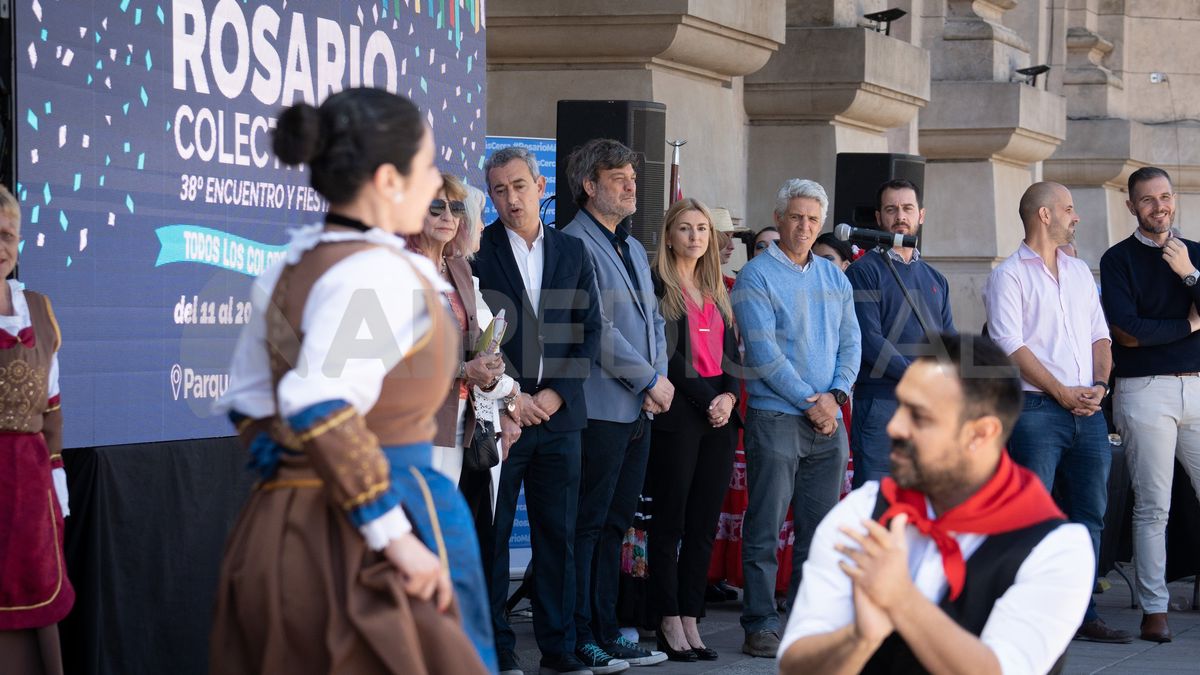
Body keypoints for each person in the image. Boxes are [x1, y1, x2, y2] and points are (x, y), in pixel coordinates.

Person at [210, 88, 490, 674]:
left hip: (278, 529)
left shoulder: (292, 265)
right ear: (389, 179)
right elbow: (316, 400)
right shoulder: (380, 275)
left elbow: (248, 402)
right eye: (427, 164)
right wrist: (394, 536)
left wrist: (294, 478)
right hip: (376, 527)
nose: (434, 181)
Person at [778, 334, 1095, 674]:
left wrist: (901, 601)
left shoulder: (1056, 547)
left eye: (920, 416)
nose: (895, 426)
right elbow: (795, 663)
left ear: (980, 433)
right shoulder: (864, 512)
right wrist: (860, 639)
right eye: (901, 406)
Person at [473, 145, 602, 675]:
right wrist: (514, 397)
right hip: (502, 420)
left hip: (560, 418)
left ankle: (559, 649)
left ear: (541, 186)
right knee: (494, 540)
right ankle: (498, 651)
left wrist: (554, 396)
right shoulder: (478, 253)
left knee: (559, 538)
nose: (510, 198)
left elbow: (590, 332)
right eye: (499, 190)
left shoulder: (572, 253)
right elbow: (474, 337)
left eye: (519, 186)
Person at [983, 181, 1130, 644]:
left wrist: (1099, 386)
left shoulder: (1080, 271)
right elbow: (1011, 346)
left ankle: (1081, 613)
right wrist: (1062, 391)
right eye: (1069, 208)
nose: (1076, 216)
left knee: (1088, 515)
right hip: (1035, 410)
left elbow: (1100, 338)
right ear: (1044, 215)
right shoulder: (1009, 275)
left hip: (1087, 412)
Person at [732, 178, 861, 658]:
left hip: (829, 421)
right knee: (766, 526)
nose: (804, 226)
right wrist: (815, 402)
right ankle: (760, 622)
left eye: (813, 219)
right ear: (779, 217)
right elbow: (763, 354)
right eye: (796, 217)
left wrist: (837, 395)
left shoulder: (834, 277)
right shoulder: (756, 276)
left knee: (819, 530)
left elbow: (852, 343)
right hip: (778, 419)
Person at [561, 138, 671, 671]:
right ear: (589, 185)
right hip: (600, 408)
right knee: (588, 525)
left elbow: (653, 322)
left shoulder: (630, 246)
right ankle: (581, 632)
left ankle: (608, 628)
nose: (631, 186)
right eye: (619, 178)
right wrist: (649, 379)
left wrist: (660, 382)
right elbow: (594, 329)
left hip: (639, 409)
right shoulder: (572, 243)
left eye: (632, 177)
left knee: (616, 525)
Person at [1100, 166, 1200, 643]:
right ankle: (1154, 609)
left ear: (1173, 199)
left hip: (1198, 387)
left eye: (1164, 197)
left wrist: (1188, 274)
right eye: (1147, 200)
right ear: (1131, 206)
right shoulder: (1118, 260)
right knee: (1153, 505)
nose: (1158, 206)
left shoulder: (1195, 256)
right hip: (1145, 390)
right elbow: (1127, 333)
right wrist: (1191, 327)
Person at [645, 199, 741, 662]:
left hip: (719, 422)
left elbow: (735, 356)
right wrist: (709, 400)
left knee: (703, 525)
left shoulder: (718, 289)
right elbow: (670, 358)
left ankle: (690, 615)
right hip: (679, 418)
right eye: (685, 228)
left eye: (702, 229)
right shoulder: (658, 286)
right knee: (670, 523)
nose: (695, 237)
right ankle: (666, 617)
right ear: (669, 236)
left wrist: (730, 397)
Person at [408, 173, 518, 508]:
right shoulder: (398, 269)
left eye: (456, 208)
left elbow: (482, 346)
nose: (448, 217)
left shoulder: (457, 270)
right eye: (436, 207)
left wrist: (493, 372)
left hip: (463, 425)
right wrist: (466, 369)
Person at [0, 185, 71, 675]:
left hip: (29, 491)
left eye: (8, 234)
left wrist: (57, 489)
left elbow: (52, 410)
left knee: (31, 597)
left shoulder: (40, 311)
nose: (1, 244)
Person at [845, 179, 955, 489]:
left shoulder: (936, 278)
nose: (900, 217)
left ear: (921, 215)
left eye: (907, 208)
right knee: (880, 504)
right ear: (879, 218)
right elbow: (869, 340)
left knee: (925, 505)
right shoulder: (863, 271)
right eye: (891, 209)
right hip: (882, 404)